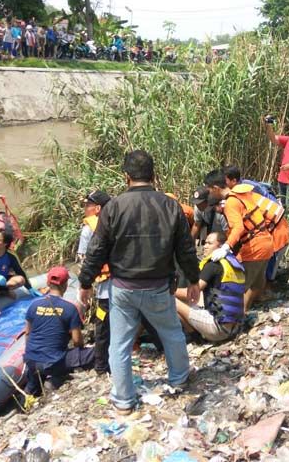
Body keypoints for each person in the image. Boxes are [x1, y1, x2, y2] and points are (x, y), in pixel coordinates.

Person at [78, 150, 199, 415]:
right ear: (154, 175)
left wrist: (85, 282)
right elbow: (186, 249)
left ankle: (124, 401)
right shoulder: (170, 205)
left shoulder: (113, 207)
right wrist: (193, 279)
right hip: (158, 286)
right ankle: (178, 378)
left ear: (126, 176)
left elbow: (96, 250)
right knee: (172, 334)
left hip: (123, 288)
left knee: (119, 344)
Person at [204, 170, 275, 312]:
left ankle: (234, 320)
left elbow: (238, 227)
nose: (210, 195)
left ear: (216, 188)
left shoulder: (231, 202)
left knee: (239, 286)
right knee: (256, 285)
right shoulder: (241, 192)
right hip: (266, 242)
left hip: (255, 247)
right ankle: (244, 313)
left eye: (210, 191)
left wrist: (226, 247)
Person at [23, 266, 94, 395]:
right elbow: (77, 341)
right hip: (53, 362)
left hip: (31, 360)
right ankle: (55, 380)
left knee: (33, 384)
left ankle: (30, 392)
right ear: (66, 285)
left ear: (48, 283)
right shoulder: (70, 308)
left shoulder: (33, 305)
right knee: (95, 352)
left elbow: (27, 333)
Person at [222, 165, 289, 283]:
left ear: (233, 180)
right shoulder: (241, 190)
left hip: (276, 228)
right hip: (269, 225)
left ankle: (267, 291)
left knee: (267, 268)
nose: (223, 184)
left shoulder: (246, 190)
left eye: (225, 181)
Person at [175, 232, 245, 342]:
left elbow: (189, 294)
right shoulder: (232, 262)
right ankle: (198, 333)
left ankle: (195, 337)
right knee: (196, 299)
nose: (205, 246)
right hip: (235, 327)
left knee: (171, 300)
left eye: (209, 243)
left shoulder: (213, 265)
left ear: (221, 246)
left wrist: (166, 290)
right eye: (204, 243)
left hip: (218, 330)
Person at [76, 190, 113, 374]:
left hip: (106, 285)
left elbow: (85, 261)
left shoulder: (88, 229)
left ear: (97, 208)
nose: (85, 208)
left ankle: (100, 366)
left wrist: (85, 284)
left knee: (102, 325)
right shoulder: (119, 220)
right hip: (126, 282)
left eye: (87, 205)